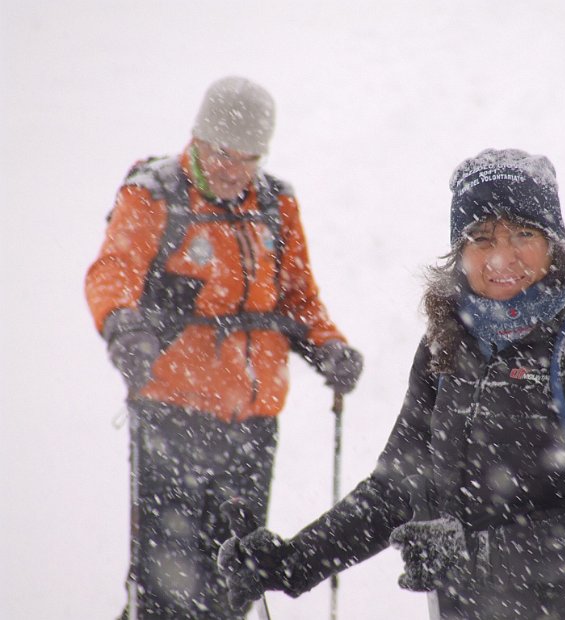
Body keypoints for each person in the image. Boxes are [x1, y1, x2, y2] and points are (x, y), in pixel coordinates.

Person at [217, 148, 565, 619]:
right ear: (460, 251)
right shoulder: (449, 345)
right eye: (481, 238)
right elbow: (396, 487)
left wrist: (476, 555)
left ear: (553, 245)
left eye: (524, 235)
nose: (501, 257)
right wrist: (293, 563)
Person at [85, 76, 363, 620]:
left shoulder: (277, 204)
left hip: (252, 426)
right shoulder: (153, 194)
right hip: (173, 418)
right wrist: (125, 328)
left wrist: (328, 346)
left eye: (248, 156)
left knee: (233, 578)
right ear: (197, 137)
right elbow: (111, 272)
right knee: (166, 584)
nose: (231, 168)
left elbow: (298, 298)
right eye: (220, 152)